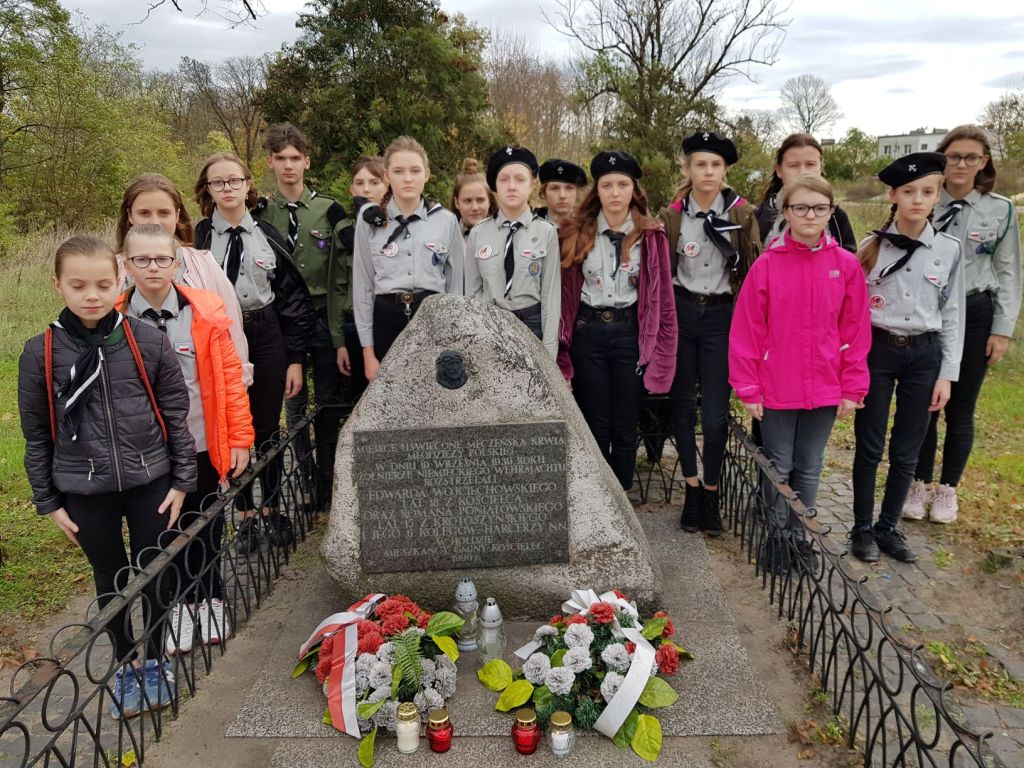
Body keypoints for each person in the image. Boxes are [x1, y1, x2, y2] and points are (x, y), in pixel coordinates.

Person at [18, 235, 195, 719]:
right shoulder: (40, 353)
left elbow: (174, 414)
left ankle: (156, 658)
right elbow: (37, 434)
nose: (91, 295)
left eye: (101, 284)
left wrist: (182, 479)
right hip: (83, 488)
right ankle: (125, 661)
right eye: (78, 285)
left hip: (150, 481)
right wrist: (48, 501)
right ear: (58, 285)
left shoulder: (146, 340)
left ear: (118, 279)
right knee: (111, 577)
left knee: (155, 568)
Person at [119, 223, 254, 654]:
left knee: (207, 523)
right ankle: (178, 603)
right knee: (164, 531)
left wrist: (239, 437)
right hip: (149, 451)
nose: (153, 267)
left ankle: (210, 597)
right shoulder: (116, 318)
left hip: (200, 440)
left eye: (162, 258)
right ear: (126, 264)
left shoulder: (207, 311)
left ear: (177, 263)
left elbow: (231, 379)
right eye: (142, 259)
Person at [729, 175, 871, 571]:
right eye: (801, 208)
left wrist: (853, 385)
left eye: (819, 208)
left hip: (825, 386)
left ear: (831, 212)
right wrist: (749, 386)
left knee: (809, 464)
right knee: (779, 463)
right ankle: (777, 537)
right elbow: (748, 329)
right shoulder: (768, 266)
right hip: (778, 385)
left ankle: (799, 535)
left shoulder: (844, 265)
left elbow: (856, 329)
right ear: (786, 212)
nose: (811, 215)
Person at [193, 152, 315, 554]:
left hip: (265, 334)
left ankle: (273, 508)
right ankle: (244, 515)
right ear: (208, 191)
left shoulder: (267, 235)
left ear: (248, 184)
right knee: (233, 428)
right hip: (218, 338)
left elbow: (293, 299)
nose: (227, 189)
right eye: (218, 183)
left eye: (234, 180)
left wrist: (295, 357)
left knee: (265, 426)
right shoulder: (198, 241)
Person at [850, 152, 965, 564]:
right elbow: (853, 310)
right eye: (909, 191)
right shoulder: (870, 246)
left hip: (924, 354)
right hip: (878, 350)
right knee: (869, 443)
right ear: (893, 195)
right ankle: (862, 527)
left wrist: (946, 374)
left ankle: (888, 527)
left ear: (938, 197)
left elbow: (953, 314)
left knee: (907, 450)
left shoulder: (949, 250)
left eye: (928, 192)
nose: (918, 199)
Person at [906, 125, 1022, 523]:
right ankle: (918, 483)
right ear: (942, 158)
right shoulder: (924, 199)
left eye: (971, 157)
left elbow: (1008, 271)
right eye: (954, 156)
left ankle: (947, 490)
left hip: (975, 312)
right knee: (925, 403)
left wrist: (1002, 329)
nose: (961, 164)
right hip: (928, 314)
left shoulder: (999, 209)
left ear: (983, 162)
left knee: (961, 407)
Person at [558, 150, 677, 490]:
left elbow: (663, 300)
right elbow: (565, 295)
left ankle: (622, 499)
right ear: (597, 191)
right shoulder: (576, 233)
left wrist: (663, 354)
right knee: (595, 423)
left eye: (622, 184)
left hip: (629, 334)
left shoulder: (650, 237)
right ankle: (598, 501)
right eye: (606, 185)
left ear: (633, 190)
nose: (614, 192)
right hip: (588, 334)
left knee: (625, 425)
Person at [661, 131, 761, 536]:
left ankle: (713, 492)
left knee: (716, 414)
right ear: (687, 169)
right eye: (700, 164)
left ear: (725, 171)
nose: (707, 171)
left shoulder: (741, 214)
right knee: (683, 404)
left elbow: (750, 272)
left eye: (715, 165)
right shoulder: (672, 216)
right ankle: (691, 490)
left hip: (722, 317)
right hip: (684, 313)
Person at [254, 123, 349, 510]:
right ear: (270, 162)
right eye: (281, 159)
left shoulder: (329, 209)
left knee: (328, 400)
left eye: (295, 158)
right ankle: (304, 475)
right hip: (281, 319)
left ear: (307, 161)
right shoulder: (260, 213)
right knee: (292, 402)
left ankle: (328, 484)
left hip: (323, 316)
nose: (289, 166)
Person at [115, 173, 252, 386]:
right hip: (130, 395)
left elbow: (230, 329)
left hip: (195, 396)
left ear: (177, 215)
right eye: (144, 213)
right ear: (130, 216)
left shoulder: (204, 264)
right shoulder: (112, 271)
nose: (155, 222)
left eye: (163, 213)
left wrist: (238, 382)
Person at [352, 136, 464, 381]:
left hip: (434, 318)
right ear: (386, 176)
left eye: (415, 170)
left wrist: (453, 341)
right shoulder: (370, 222)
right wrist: (368, 353)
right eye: (399, 171)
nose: (407, 178)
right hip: (386, 320)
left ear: (426, 174)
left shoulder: (446, 221)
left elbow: (456, 288)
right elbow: (363, 287)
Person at [464, 146, 560, 355]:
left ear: (532, 184)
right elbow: (471, 294)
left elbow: (551, 297)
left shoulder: (546, 232)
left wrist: (549, 350)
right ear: (494, 187)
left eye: (520, 179)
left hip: (532, 327)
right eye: (504, 179)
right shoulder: (478, 234)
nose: (512, 186)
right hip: (490, 327)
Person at [335, 156, 388, 402]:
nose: (367, 189)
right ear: (351, 189)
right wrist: (339, 341)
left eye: (374, 182)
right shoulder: (343, 227)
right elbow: (336, 286)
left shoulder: (398, 224)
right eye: (360, 182)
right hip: (355, 326)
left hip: (389, 320)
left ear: (387, 184)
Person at [754, 134, 857, 251]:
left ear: (821, 168)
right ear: (779, 170)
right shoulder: (760, 216)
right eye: (793, 165)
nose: (803, 172)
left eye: (810, 164)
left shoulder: (836, 218)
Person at [535, 158, 588, 228]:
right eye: (555, 188)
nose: (562, 195)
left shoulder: (589, 227)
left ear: (577, 192)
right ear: (544, 193)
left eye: (569, 188)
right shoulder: (529, 225)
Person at [451, 157, 495, 239]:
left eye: (480, 200)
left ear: (489, 201)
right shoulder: (447, 237)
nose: (475, 207)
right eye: (468, 201)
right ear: (457, 203)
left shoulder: (503, 236)